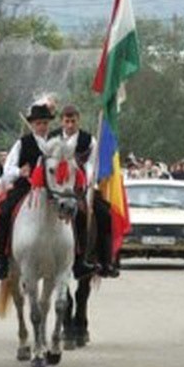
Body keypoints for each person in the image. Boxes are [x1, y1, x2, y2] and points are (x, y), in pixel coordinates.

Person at [0, 95, 57, 280]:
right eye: (38, 123)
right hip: (26, 189)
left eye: (45, 122)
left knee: (74, 210)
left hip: (53, 190)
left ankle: (76, 257)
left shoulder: (56, 143)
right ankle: (1, 261)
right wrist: (20, 171)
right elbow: (7, 171)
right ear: (33, 124)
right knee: (4, 213)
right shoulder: (23, 143)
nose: (42, 126)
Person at [49, 105, 111, 278]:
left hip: (80, 186)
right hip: (56, 187)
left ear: (78, 120)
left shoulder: (88, 140)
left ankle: (103, 260)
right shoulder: (52, 138)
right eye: (66, 121)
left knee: (103, 213)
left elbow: (92, 164)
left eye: (73, 121)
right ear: (62, 121)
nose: (69, 125)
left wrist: (88, 182)